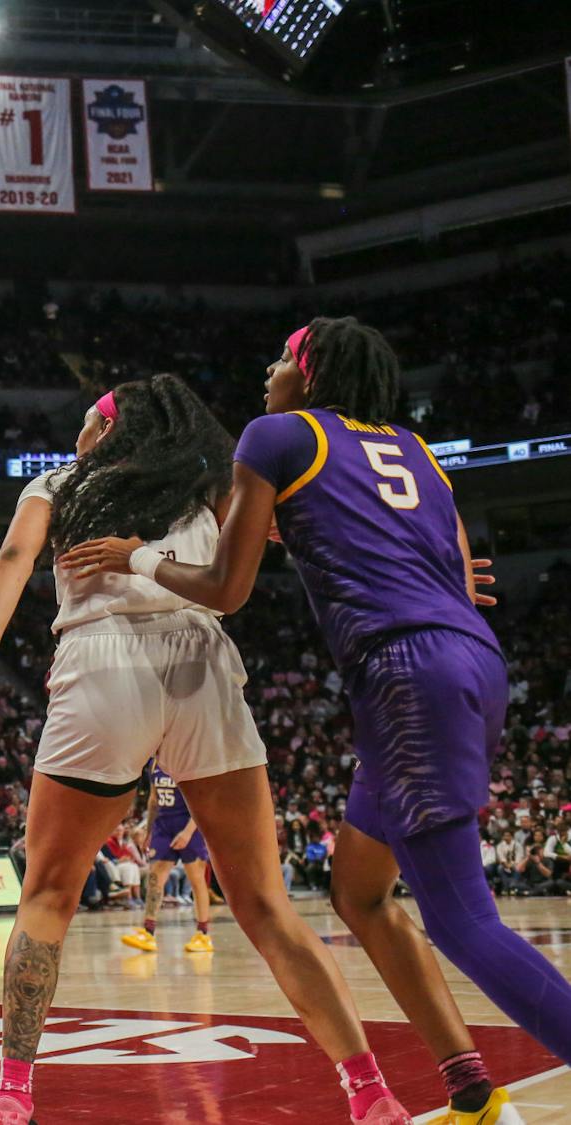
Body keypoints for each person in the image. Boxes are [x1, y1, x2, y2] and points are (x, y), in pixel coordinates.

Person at [61, 319, 553, 1124]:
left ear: (311, 368)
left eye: (282, 356)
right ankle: (470, 1082)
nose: (268, 368)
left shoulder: (277, 434)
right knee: (359, 890)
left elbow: (226, 587)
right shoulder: (416, 449)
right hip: (473, 656)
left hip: (405, 673)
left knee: (463, 919)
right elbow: (457, 563)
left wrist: (134, 556)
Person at [0, 376, 413, 1125]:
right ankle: (370, 1090)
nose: (79, 429)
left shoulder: (60, 481)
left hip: (102, 666)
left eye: (88, 418)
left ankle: (13, 1092)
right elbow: (313, 533)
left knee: (49, 895)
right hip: (202, 666)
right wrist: (424, 580)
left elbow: (11, 559)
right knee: (265, 905)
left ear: (114, 426)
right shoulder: (207, 485)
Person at [120, 763, 214, 955]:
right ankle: (148, 931)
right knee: (155, 878)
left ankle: (203, 933)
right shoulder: (154, 762)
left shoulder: (189, 760)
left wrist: (188, 833)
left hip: (189, 825)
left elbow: (201, 801)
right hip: (163, 826)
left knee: (196, 880)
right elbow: (154, 799)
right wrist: (149, 830)